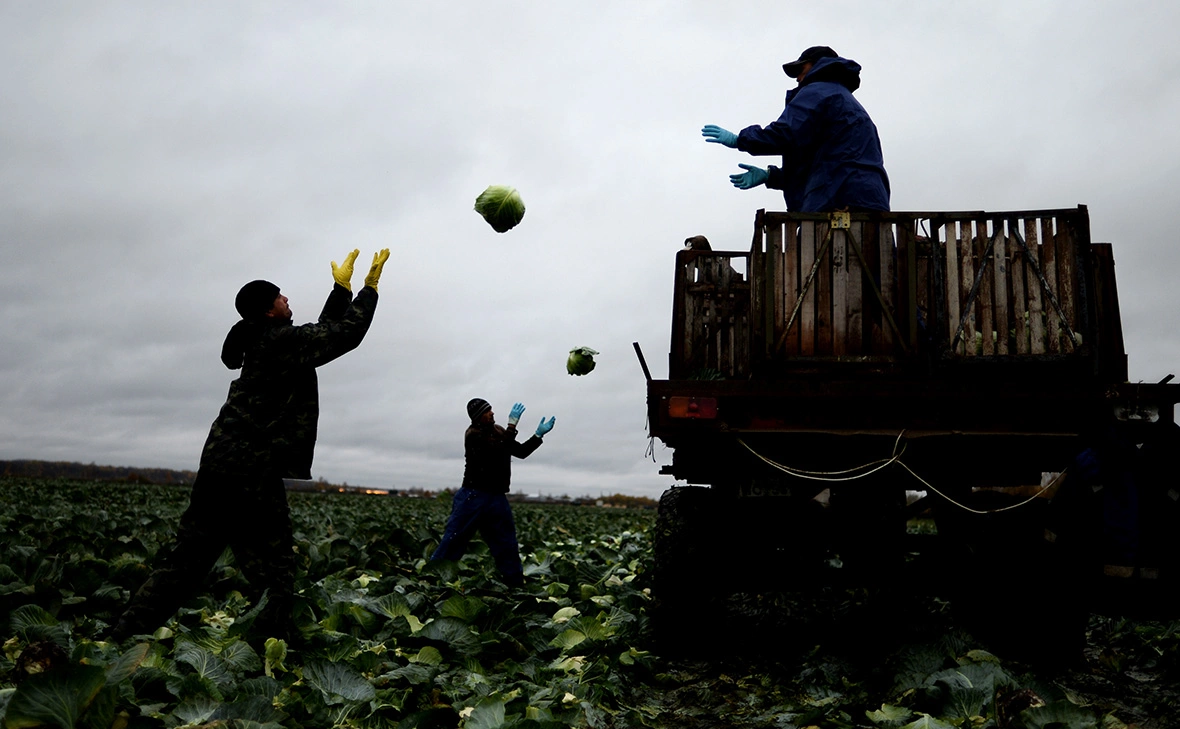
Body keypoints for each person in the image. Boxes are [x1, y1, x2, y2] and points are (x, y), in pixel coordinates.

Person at [111, 247, 390, 642]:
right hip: (250, 468)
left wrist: (340, 290)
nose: (287, 298)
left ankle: (120, 636)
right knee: (274, 568)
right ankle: (272, 648)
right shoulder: (278, 341)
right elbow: (342, 335)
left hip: (220, 462)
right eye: (280, 296)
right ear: (268, 310)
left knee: (186, 561)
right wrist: (369, 289)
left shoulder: (268, 340)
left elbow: (319, 337)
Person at [701, 45, 890, 212]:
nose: (798, 78)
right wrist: (771, 176)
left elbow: (786, 133)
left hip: (837, 198)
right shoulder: (844, 100)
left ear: (819, 64)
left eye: (801, 69)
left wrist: (740, 140)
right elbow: (823, 162)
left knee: (815, 251)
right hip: (870, 199)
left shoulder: (818, 91)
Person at [430, 399, 556, 585]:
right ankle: (432, 578)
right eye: (487, 411)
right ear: (477, 416)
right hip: (473, 496)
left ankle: (514, 584)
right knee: (453, 540)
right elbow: (498, 450)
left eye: (491, 409)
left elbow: (519, 451)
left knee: (506, 543)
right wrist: (512, 426)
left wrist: (537, 436)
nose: (492, 412)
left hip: (496, 498)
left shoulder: (498, 431)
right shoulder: (473, 435)